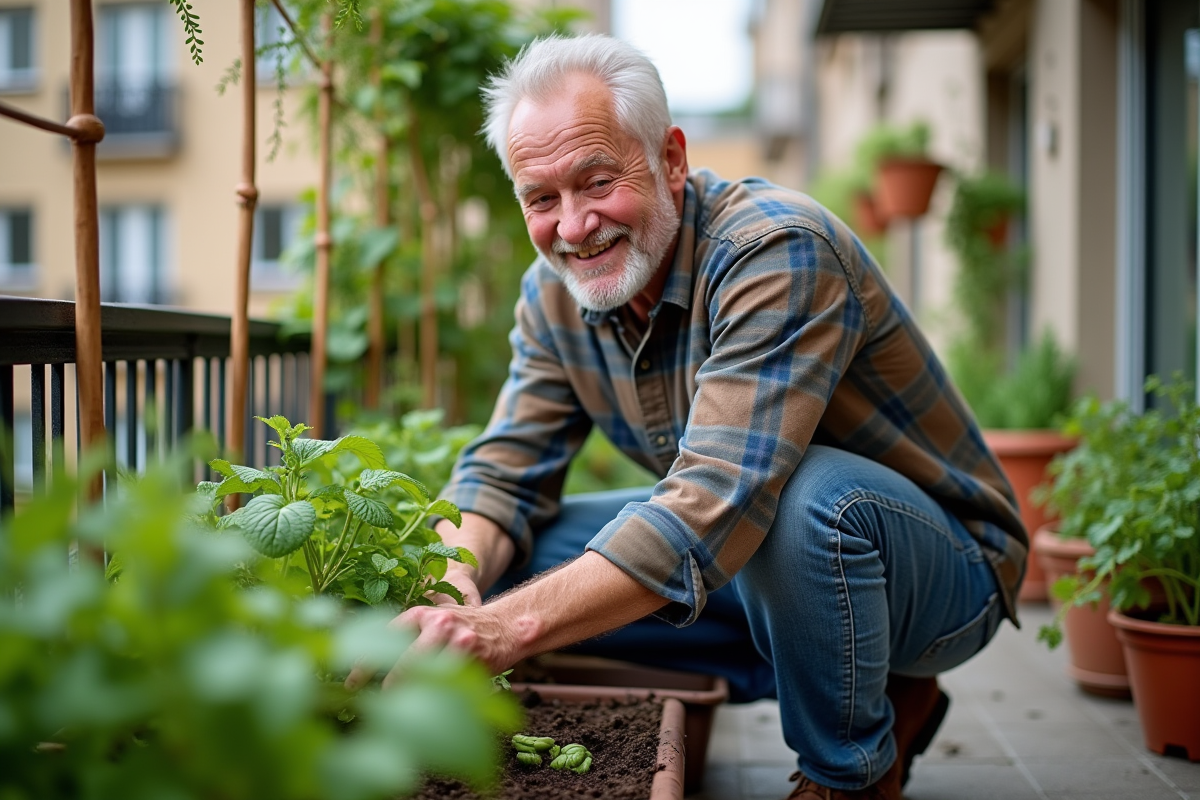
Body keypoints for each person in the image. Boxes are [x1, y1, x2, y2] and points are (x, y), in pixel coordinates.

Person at [346, 33, 1027, 800]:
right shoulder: (554, 295)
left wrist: (504, 632)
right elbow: (503, 470)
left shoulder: (774, 250)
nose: (572, 227)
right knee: (521, 553)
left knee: (804, 500)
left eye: (596, 181)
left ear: (670, 159)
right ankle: (860, 683)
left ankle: (849, 773)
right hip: (763, 556)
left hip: (942, 572)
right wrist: (453, 585)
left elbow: (718, 495)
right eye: (542, 199)